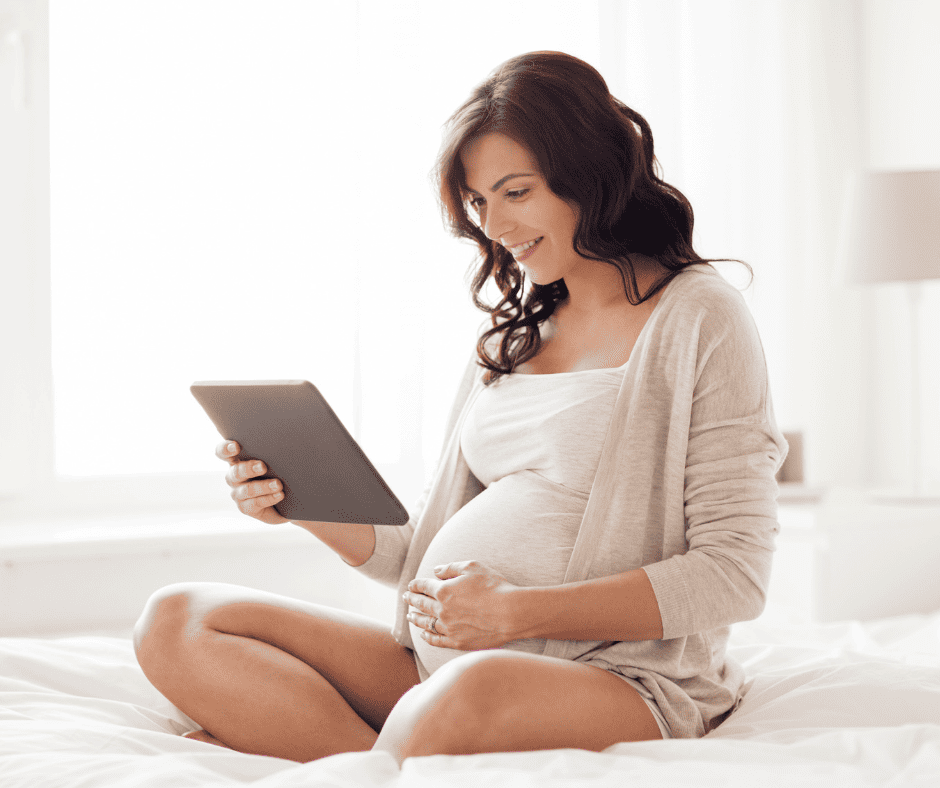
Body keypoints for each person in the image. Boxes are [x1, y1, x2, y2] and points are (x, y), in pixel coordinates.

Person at [133, 51, 787, 764]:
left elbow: (734, 574)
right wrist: (298, 502)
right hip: (438, 663)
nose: (495, 224)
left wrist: (513, 614)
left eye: (516, 192)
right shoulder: (513, 338)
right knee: (175, 620)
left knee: (468, 691)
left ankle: (314, 746)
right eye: (479, 202)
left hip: (611, 674)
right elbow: (419, 557)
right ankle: (370, 757)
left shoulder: (700, 317)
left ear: (589, 173)